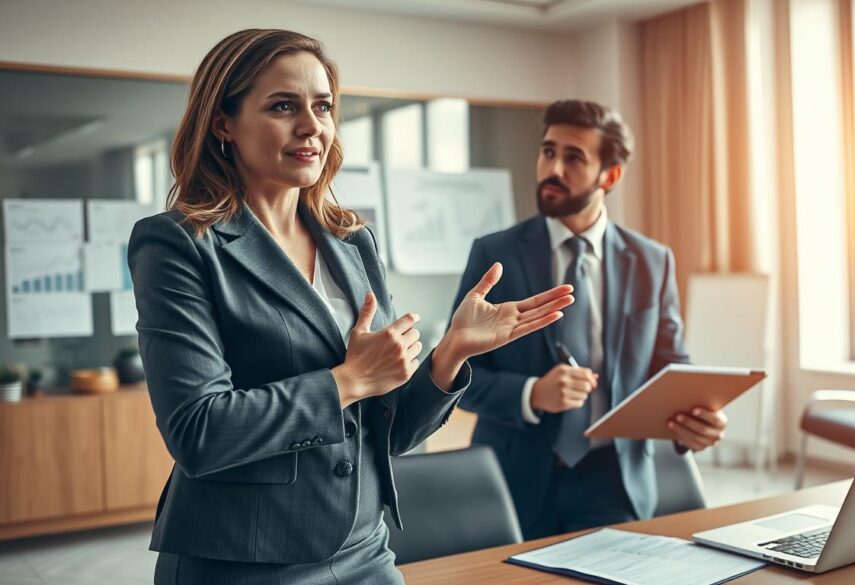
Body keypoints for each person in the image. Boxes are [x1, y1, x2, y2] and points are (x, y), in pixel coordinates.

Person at [129, 29, 572, 584]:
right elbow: (199, 433)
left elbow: (388, 434)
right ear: (224, 123)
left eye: (323, 106)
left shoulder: (352, 241)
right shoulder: (178, 243)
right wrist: (348, 381)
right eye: (283, 106)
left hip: (365, 549)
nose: (312, 126)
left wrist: (449, 356)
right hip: (243, 559)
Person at [452, 99, 729, 540]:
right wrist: (531, 393)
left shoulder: (652, 261)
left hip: (614, 479)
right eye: (548, 152)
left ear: (610, 175)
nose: (552, 168)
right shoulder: (494, 255)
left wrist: (696, 421)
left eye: (573, 157)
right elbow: (454, 375)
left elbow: (672, 369)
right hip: (510, 480)